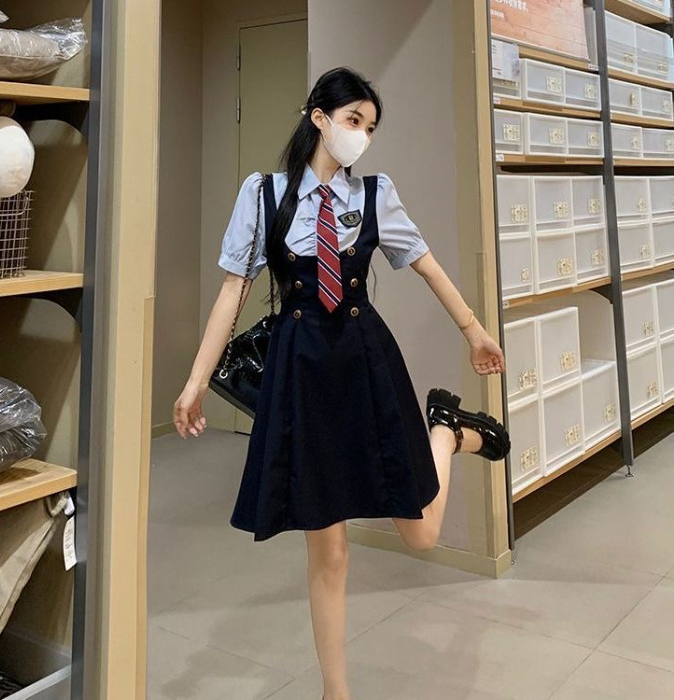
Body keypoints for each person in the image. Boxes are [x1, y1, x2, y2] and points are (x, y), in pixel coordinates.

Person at [173, 66, 511, 700]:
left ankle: (445, 432)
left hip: (364, 361)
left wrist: (475, 331)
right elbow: (232, 291)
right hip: (301, 373)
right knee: (327, 551)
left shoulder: (375, 194)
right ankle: (337, 691)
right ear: (319, 118)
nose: (362, 136)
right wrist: (195, 382)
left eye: (371, 127)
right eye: (354, 120)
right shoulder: (264, 194)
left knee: (421, 534)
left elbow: (426, 264)